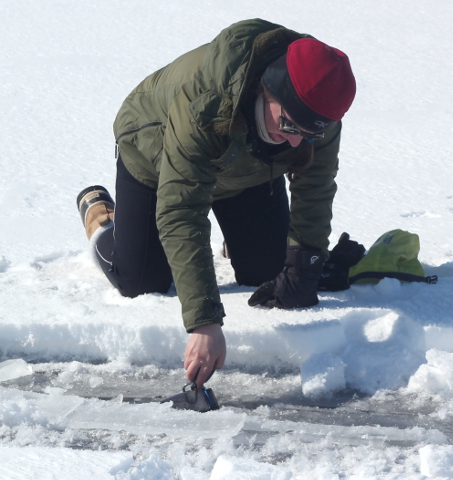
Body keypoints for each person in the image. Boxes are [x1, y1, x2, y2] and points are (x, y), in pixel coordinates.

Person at [76, 19, 356, 388]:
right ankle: (104, 218)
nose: (295, 143)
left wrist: (306, 266)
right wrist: (204, 321)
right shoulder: (204, 100)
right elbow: (181, 208)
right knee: (142, 282)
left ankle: (236, 237)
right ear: (267, 90)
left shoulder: (315, 106)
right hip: (155, 158)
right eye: (289, 127)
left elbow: (316, 183)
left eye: (308, 135)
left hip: (248, 171)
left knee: (273, 274)